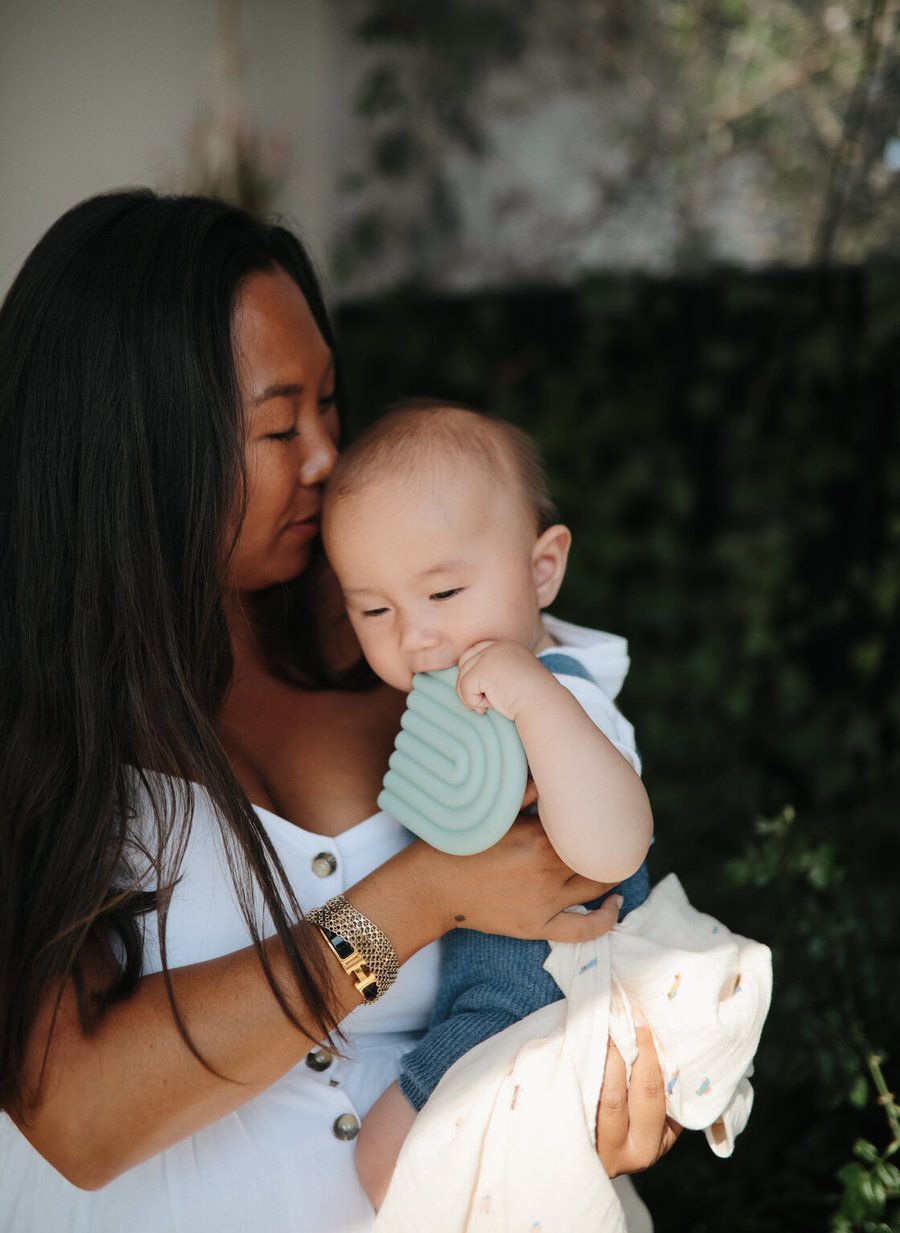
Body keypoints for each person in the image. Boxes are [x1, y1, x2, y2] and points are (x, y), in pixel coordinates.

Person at [0, 190, 678, 1233]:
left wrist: (598, 1090)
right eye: (280, 425)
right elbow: (78, 1116)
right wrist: (418, 897)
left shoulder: (419, 631)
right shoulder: (38, 724)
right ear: (139, 451)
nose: (326, 456)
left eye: (329, 404)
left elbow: (590, 909)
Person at [320, 403, 772, 1225]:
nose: (418, 636)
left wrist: (534, 698)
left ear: (541, 570)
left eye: (445, 590)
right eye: (374, 611)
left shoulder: (561, 694)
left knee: (385, 1159)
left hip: (541, 995)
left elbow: (616, 841)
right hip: (484, 1001)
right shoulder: (442, 715)